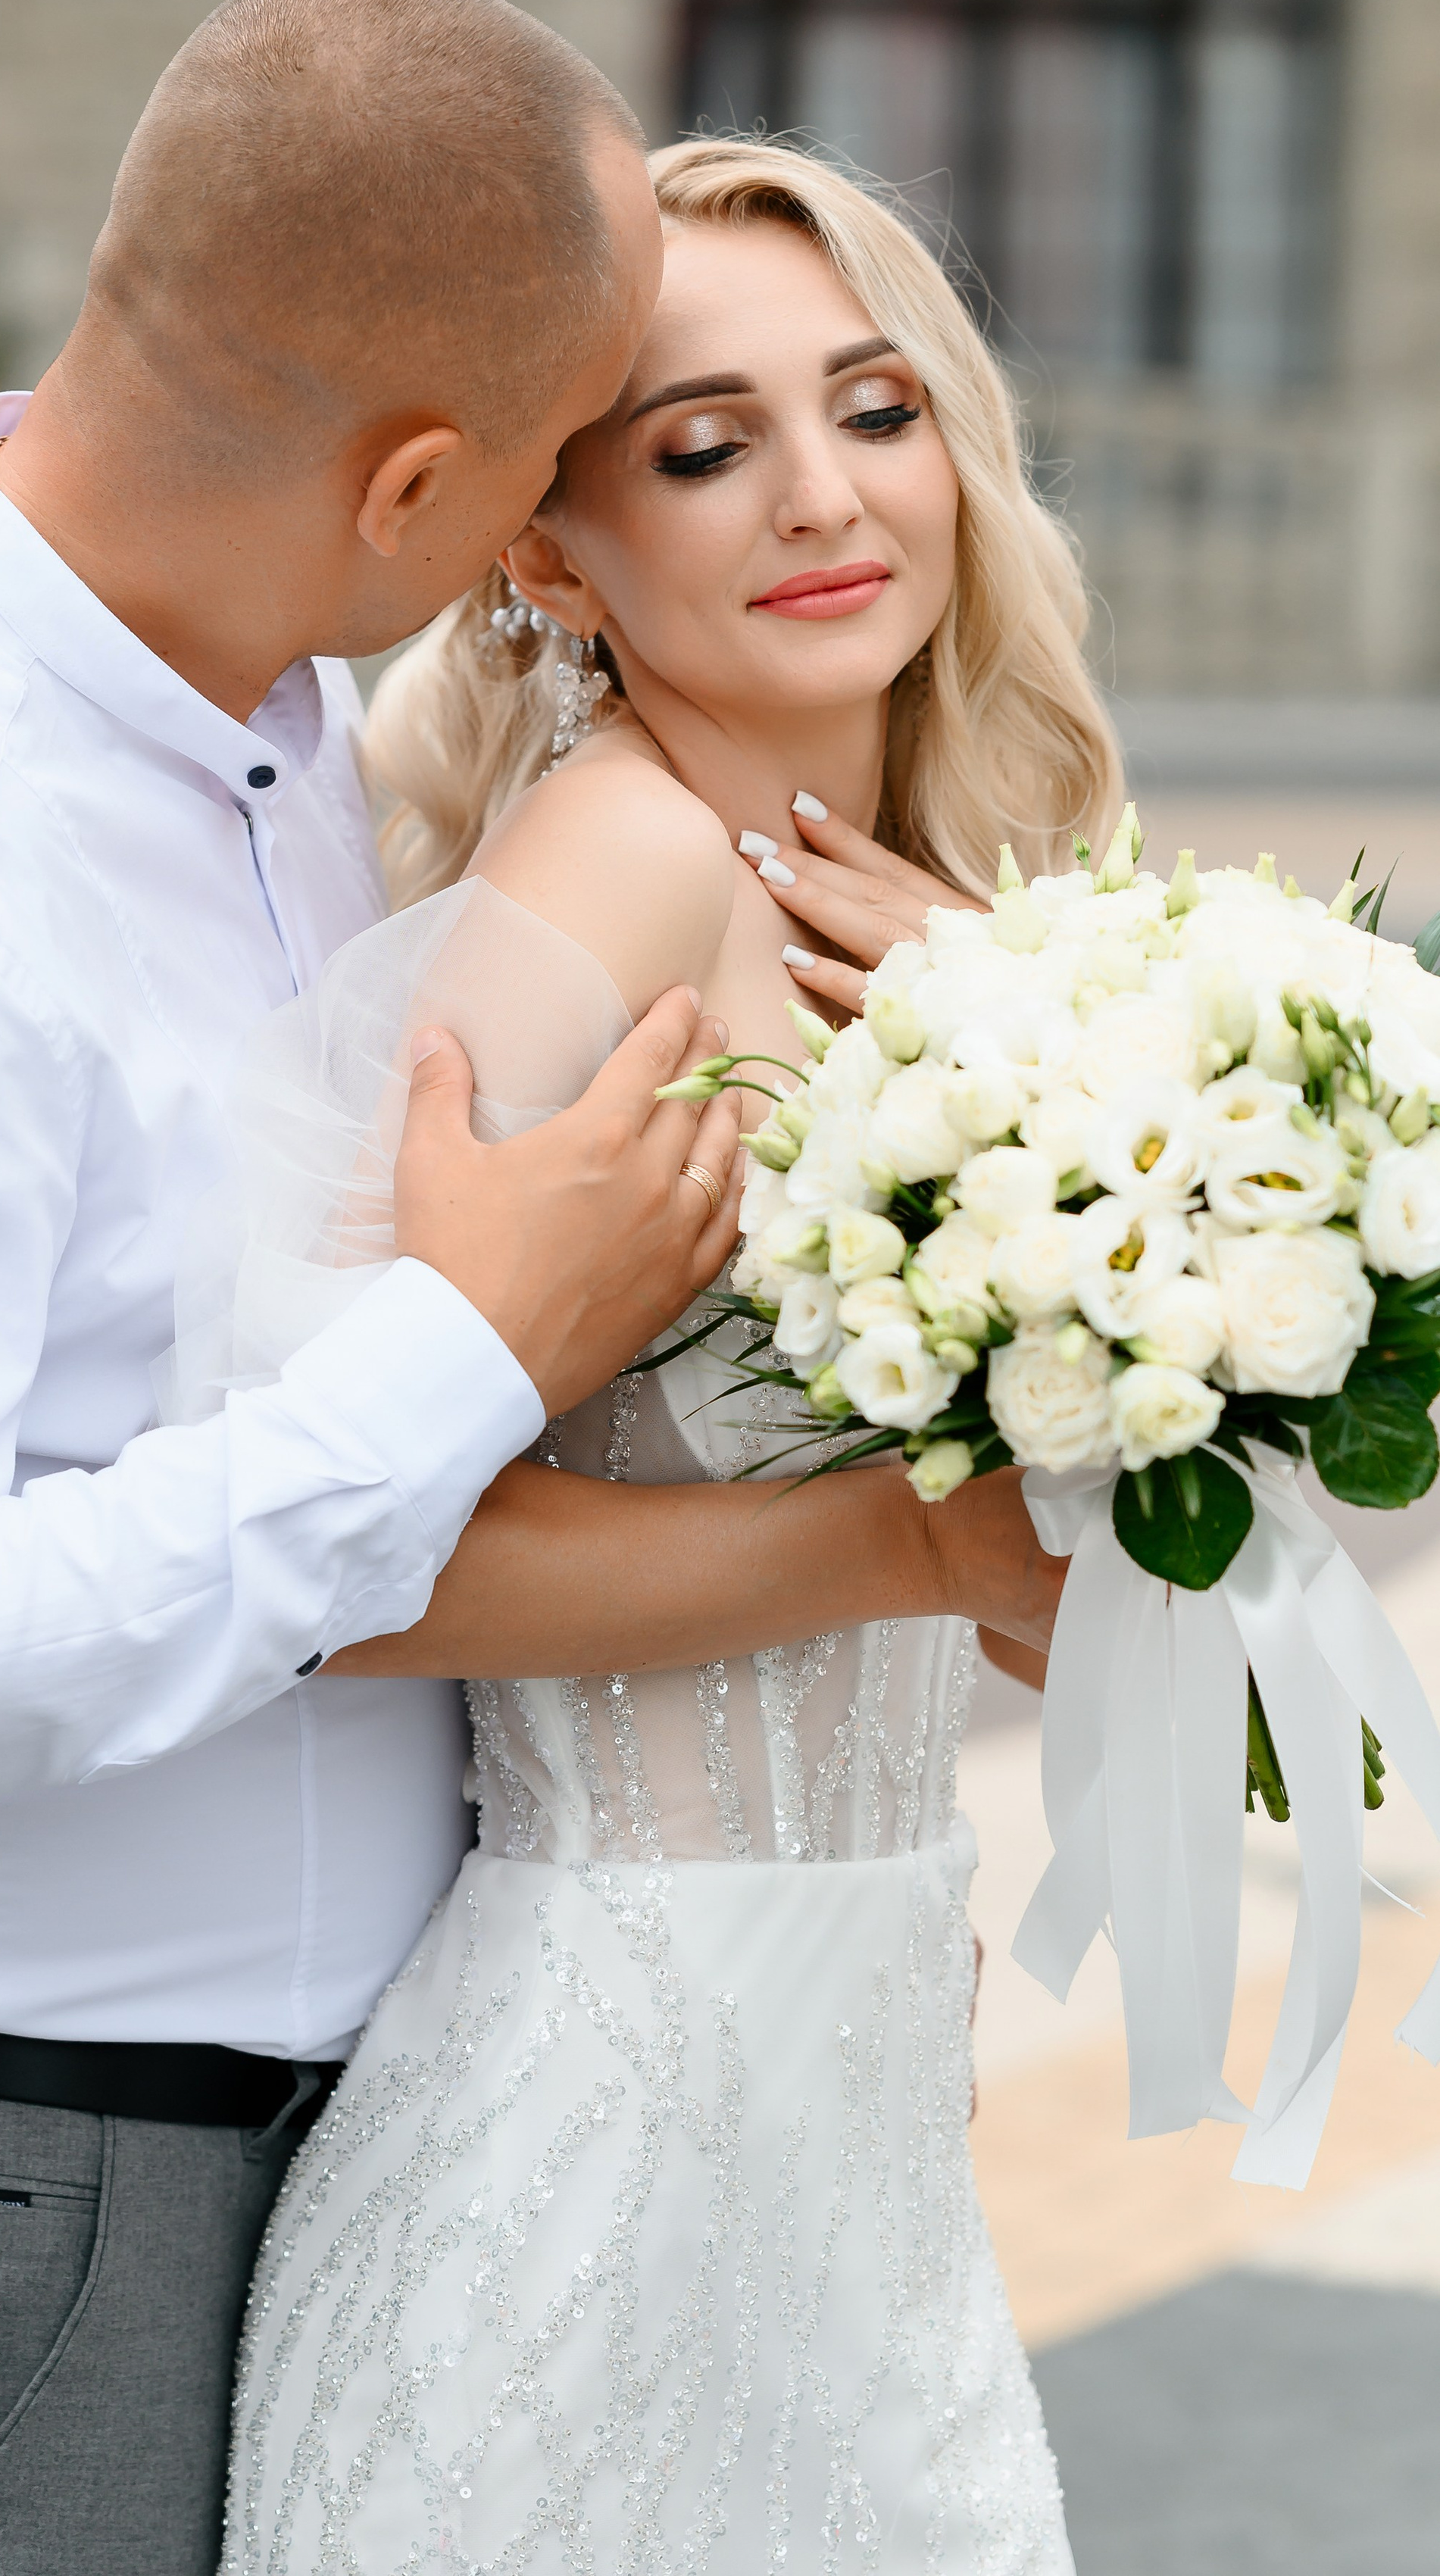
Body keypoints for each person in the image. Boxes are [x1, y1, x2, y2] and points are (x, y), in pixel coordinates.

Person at [0, 0, 1064, 2576]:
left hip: (406, 2100)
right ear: (437, 505)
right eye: (603, 458)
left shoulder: (259, 722)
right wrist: (475, 1357)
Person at [220, 136, 1123, 2572]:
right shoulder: (607, 876)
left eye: (878, 407)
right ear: (546, 547)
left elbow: (1056, 1574)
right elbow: (327, 1566)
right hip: (597, 2118)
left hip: (849, 2109)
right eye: (705, 447)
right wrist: (896, 1548)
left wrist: (1061, 1079)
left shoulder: (935, 926)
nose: (824, 498)